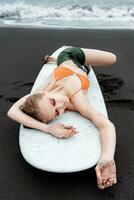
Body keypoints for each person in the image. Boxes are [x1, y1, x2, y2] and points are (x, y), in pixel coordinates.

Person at [7, 46, 117, 190]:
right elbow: (106, 125)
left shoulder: (43, 90)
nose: (61, 105)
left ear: (44, 94)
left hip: (70, 56)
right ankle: (85, 67)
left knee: (113, 58)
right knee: (88, 68)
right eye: (57, 113)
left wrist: (47, 127)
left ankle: (56, 60)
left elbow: (12, 111)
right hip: (82, 70)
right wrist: (107, 159)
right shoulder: (78, 103)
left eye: (52, 102)